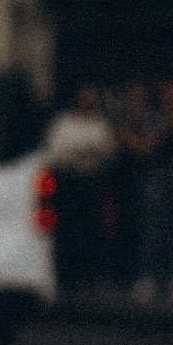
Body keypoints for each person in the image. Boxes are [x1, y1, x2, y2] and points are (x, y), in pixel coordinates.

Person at [40, 80, 116, 298]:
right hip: (69, 183)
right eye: (85, 95)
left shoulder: (100, 124)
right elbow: (55, 152)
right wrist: (84, 150)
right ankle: (68, 276)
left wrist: (86, 151)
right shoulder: (63, 123)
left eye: (92, 96)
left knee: (89, 229)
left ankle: (88, 276)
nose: (88, 100)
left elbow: (107, 150)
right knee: (69, 228)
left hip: (91, 182)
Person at [135, 73, 173, 304]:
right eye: (168, 90)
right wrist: (165, 128)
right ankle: (147, 278)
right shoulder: (151, 116)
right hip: (156, 176)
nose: (172, 95)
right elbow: (145, 146)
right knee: (153, 227)